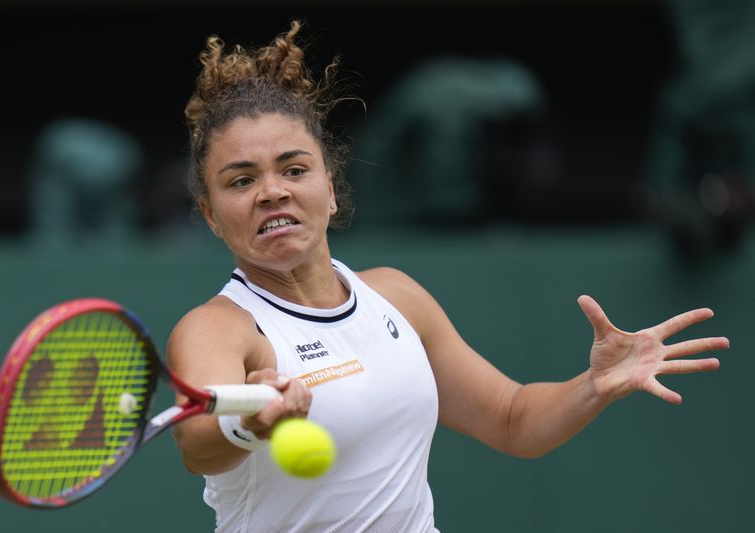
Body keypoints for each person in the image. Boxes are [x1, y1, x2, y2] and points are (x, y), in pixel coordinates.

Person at [166, 20, 728, 532]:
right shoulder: (218, 330)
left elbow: (512, 419)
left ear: (331, 190)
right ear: (212, 216)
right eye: (241, 181)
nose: (271, 191)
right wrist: (248, 423)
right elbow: (197, 445)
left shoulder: (397, 296)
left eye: (294, 169)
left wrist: (593, 387)